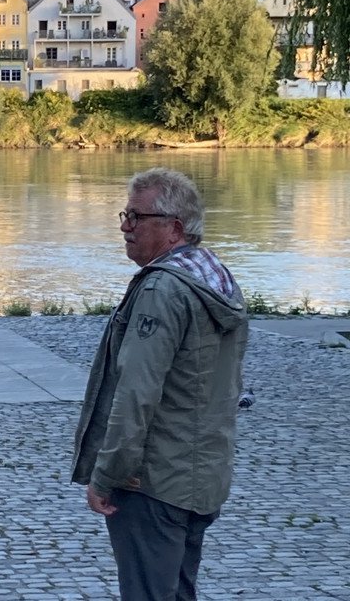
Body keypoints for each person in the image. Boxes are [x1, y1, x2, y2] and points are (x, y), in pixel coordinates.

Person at [72, 167, 249, 601]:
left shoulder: (163, 290)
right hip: (202, 475)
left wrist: (107, 474)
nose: (125, 227)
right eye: (125, 214)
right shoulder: (219, 280)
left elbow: (136, 393)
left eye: (136, 217)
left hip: (151, 482)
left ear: (173, 228)